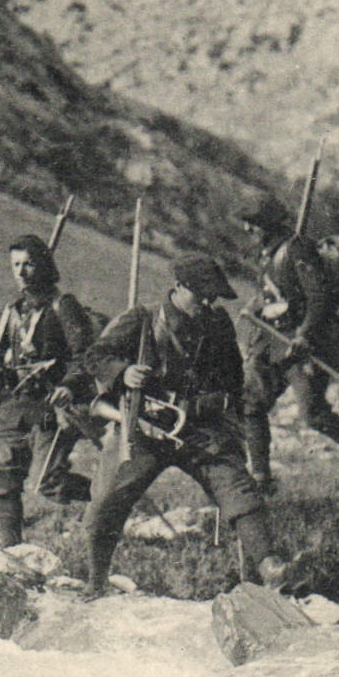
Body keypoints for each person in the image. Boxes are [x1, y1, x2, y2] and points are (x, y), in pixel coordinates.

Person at [79, 254, 286, 598]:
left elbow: (233, 381)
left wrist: (208, 404)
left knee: (238, 489)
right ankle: (96, 582)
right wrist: (123, 373)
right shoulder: (143, 319)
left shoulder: (218, 323)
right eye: (200, 293)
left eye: (213, 295)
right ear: (177, 287)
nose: (208, 301)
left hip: (199, 429)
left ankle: (270, 569)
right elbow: (95, 356)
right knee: (106, 501)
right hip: (145, 428)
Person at [234, 190, 339, 496]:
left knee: (314, 415)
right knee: (251, 403)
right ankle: (262, 479)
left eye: (254, 223)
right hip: (274, 341)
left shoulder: (298, 251)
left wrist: (304, 335)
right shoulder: (267, 253)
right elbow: (275, 294)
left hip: (304, 346)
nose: (248, 229)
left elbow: (319, 299)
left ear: (268, 222)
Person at [0, 233, 97, 547]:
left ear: (44, 266)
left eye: (28, 264)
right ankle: (12, 551)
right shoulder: (12, 311)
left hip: (51, 408)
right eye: (15, 265)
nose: (20, 272)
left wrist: (70, 386)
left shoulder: (63, 306)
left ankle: (109, 499)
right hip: (16, 404)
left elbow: (86, 356)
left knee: (50, 483)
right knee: (2, 477)